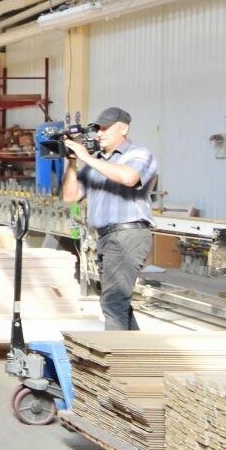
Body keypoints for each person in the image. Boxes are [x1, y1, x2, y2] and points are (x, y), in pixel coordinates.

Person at [60, 107, 158, 331]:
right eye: (97, 129)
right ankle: (133, 349)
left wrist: (86, 157)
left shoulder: (138, 154)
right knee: (117, 301)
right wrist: (73, 162)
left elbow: (129, 178)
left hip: (128, 235)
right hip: (106, 237)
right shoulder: (96, 162)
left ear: (123, 128)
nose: (99, 134)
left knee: (113, 302)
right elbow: (70, 196)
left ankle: (114, 352)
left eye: (105, 128)